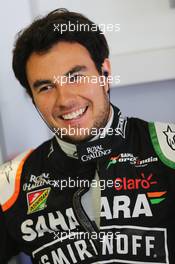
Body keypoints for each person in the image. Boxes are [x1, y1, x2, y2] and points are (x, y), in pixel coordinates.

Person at [0, 8, 175, 264]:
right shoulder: (12, 183)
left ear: (104, 73)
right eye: (46, 87)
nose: (66, 100)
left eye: (76, 77)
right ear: (33, 97)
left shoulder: (168, 150)